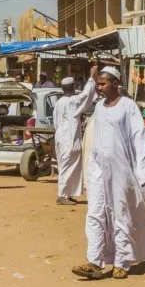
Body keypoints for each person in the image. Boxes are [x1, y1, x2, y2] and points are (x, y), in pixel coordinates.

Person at [72, 66, 145, 281]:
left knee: (121, 214)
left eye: (102, 84)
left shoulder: (128, 107)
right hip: (99, 169)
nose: (99, 88)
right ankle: (94, 261)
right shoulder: (99, 107)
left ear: (115, 83)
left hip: (121, 170)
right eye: (98, 84)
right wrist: (92, 167)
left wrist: (144, 172)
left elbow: (140, 138)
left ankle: (121, 262)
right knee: (95, 212)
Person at [53, 68, 99, 206]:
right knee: (66, 167)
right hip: (68, 139)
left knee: (67, 166)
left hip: (62, 138)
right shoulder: (71, 101)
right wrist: (91, 78)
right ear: (73, 87)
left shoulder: (59, 102)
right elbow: (85, 96)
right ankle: (62, 195)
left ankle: (68, 193)